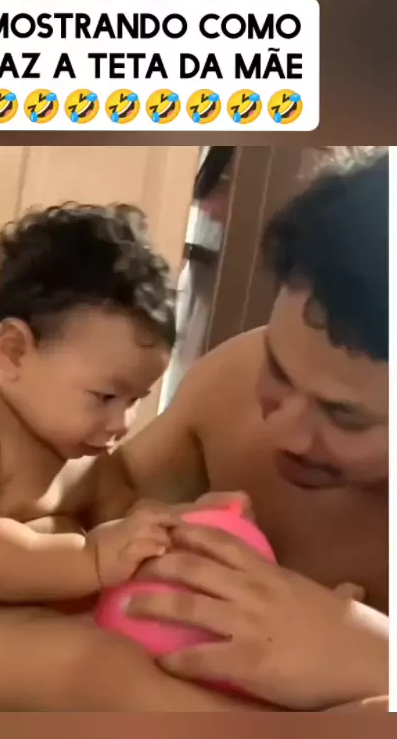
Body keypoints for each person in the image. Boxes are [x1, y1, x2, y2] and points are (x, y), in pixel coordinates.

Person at [0, 203, 244, 712]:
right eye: (105, 396)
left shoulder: (87, 450)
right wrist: (89, 559)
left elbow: (123, 513)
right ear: (14, 352)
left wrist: (181, 527)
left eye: (136, 399)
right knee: (89, 665)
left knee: (143, 641)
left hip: (16, 624)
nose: (123, 422)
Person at [107, 152, 389, 711]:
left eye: (345, 416)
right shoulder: (231, 381)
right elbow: (74, 507)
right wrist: (139, 530)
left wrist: (375, 656)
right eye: (277, 371)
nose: (282, 431)